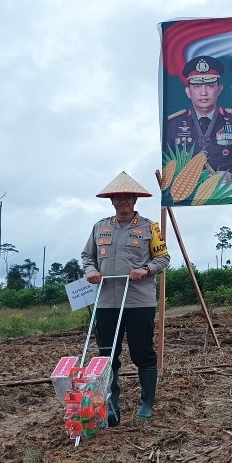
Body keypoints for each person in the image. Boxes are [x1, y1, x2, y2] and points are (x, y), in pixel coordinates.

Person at [81, 172, 170, 422]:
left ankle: (146, 403)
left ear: (135, 200)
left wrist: (146, 269)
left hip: (138, 301)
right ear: (111, 201)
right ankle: (111, 404)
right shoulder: (100, 227)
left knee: (142, 351)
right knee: (107, 353)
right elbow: (87, 256)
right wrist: (91, 271)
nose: (123, 201)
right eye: (118, 197)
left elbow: (163, 258)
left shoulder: (150, 227)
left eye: (127, 197)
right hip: (106, 301)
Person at [163, 55, 232, 182]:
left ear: (219, 89)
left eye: (209, 86)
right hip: (187, 193)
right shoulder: (173, 125)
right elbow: (164, 163)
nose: (203, 93)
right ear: (188, 92)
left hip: (227, 191)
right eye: (197, 87)